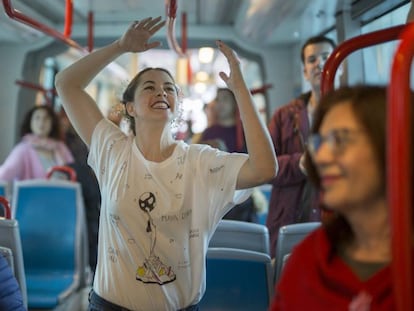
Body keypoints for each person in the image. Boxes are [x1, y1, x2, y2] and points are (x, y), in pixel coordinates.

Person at [55, 16, 277, 311]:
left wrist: (240, 91)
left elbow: (264, 168)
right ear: (130, 108)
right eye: (149, 87)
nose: (161, 92)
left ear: (176, 107)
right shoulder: (112, 149)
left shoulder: (199, 162)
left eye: (169, 88)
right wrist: (120, 47)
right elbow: (66, 84)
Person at [270, 85, 414, 310]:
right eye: (319, 143)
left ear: (393, 144)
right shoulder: (308, 260)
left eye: (341, 140)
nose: (321, 157)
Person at [266, 35, 337, 257]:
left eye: (326, 57)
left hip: (336, 219)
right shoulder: (283, 116)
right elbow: (266, 166)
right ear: (305, 72)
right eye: (312, 59)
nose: (320, 64)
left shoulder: (353, 115)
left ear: (339, 67)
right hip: (290, 220)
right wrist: (300, 164)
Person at [198, 88, 259, 223]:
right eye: (218, 99)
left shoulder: (245, 132)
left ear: (234, 103)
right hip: (214, 200)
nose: (220, 104)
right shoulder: (208, 133)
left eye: (225, 99)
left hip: (241, 198)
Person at [0, 105, 74, 181]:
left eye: (46, 118)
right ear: (30, 122)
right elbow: (6, 172)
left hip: (63, 191)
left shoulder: (61, 147)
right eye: (37, 118)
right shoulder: (23, 149)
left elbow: (74, 172)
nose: (41, 122)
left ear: (52, 123)